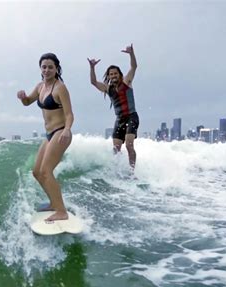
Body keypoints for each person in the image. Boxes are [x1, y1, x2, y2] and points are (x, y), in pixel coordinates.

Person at [17, 53, 74, 221]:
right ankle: (53, 203)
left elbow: (69, 114)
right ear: (40, 69)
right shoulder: (40, 87)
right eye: (44, 67)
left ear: (57, 69)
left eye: (50, 67)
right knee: (36, 172)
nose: (47, 70)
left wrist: (67, 129)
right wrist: (23, 98)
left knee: (46, 171)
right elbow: (28, 102)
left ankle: (61, 211)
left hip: (61, 131)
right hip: (49, 134)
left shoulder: (60, 88)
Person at [88, 44, 140, 169]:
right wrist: (92, 67)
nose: (113, 76)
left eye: (115, 73)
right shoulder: (108, 88)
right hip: (119, 119)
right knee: (116, 149)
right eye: (111, 74)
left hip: (131, 117)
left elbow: (134, 67)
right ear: (109, 76)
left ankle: (132, 171)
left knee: (129, 145)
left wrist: (131, 54)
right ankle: (117, 171)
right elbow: (93, 82)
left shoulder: (127, 82)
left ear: (119, 74)